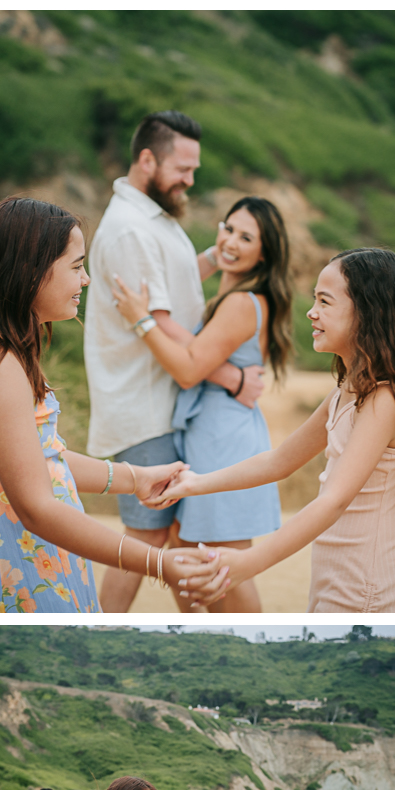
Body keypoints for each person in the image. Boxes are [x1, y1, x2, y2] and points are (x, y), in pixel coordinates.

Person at [0, 195, 229, 614]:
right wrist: (158, 562)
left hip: (15, 559)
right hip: (6, 572)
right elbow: (38, 507)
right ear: (30, 272)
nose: (87, 280)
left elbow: (40, 458)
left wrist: (136, 478)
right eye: (76, 267)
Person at [145, 248, 395, 613]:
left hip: (365, 588)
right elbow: (278, 462)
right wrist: (195, 483)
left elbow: (333, 500)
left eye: (325, 301)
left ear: (369, 312)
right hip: (336, 579)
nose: (311, 312)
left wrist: (249, 563)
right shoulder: (346, 393)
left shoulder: (386, 400)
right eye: (314, 300)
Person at [84, 110, 265, 613]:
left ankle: (201, 622)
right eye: (183, 168)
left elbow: (174, 281)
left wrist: (222, 254)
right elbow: (160, 325)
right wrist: (230, 376)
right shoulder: (129, 231)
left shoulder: (153, 219)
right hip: (144, 409)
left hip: (165, 405)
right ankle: (103, 626)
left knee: (177, 539)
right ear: (147, 160)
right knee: (146, 540)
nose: (191, 179)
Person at [112, 196, 293, 614]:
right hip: (213, 430)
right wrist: (220, 252)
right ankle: (205, 625)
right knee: (186, 546)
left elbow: (189, 368)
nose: (231, 240)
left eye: (246, 237)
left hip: (222, 437)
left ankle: (250, 643)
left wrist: (142, 320)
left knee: (221, 560)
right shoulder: (236, 294)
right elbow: (177, 285)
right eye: (227, 228)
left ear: (264, 253)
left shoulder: (240, 303)